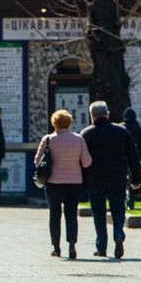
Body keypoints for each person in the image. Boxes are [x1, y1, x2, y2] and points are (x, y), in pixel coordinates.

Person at [80, 101, 141, 259]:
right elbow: (133, 157)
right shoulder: (122, 131)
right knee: (118, 210)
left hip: (95, 180)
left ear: (92, 116)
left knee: (98, 213)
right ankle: (118, 234)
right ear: (107, 114)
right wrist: (136, 179)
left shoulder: (86, 134)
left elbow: (81, 161)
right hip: (117, 178)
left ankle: (101, 247)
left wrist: (82, 183)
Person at [34, 110, 92, 259]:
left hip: (53, 183)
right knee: (71, 214)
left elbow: (37, 161)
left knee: (54, 215)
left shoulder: (48, 139)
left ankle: (56, 248)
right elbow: (87, 162)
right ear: (70, 122)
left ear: (54, 122)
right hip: (74, 183)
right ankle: (72, 244)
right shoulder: (78, 139)